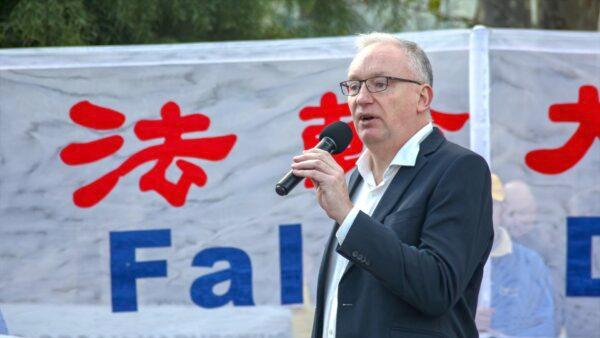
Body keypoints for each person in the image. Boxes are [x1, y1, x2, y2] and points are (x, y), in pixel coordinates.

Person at [291, 32, 494, 337]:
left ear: (422, 97)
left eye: (380, 83)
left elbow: (437, 287)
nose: (361, 98)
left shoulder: (459, 169)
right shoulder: (357, 177)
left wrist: (348, 217)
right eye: (354, 86)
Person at [477, 174, 555, 337]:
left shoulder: (530, 264)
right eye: (474, 204)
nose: (481, 211)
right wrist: (464, 321)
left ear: (502, 210)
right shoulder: (448, 258)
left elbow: (544, 324)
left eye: (491, 204)